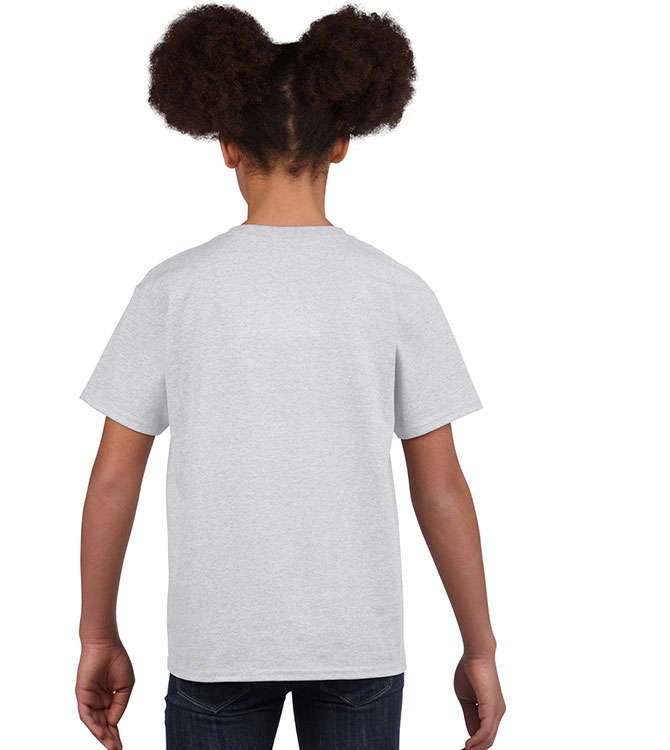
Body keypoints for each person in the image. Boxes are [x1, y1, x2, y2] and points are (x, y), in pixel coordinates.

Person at [75, 4, 505, 750]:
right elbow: (440, 487)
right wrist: (481, 648)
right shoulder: (396, 290)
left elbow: (114, 477)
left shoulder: (173, 289)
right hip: (356, 642)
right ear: (341, 144)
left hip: (216, 642)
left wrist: (97, 634)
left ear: (226, 146)